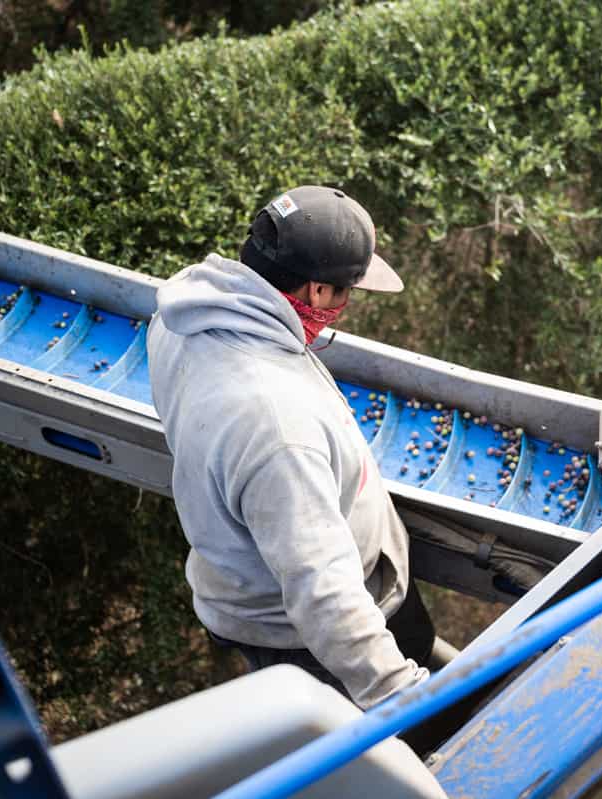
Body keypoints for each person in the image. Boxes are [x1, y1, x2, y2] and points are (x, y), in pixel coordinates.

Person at [146, 185, 435, 713]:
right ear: (318, 292)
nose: (346, 305)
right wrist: (400, 696)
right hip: (308, 644)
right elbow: (324, 595)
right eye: (346, 291)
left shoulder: (181, 314)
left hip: (242, 589)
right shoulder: (277, 428)